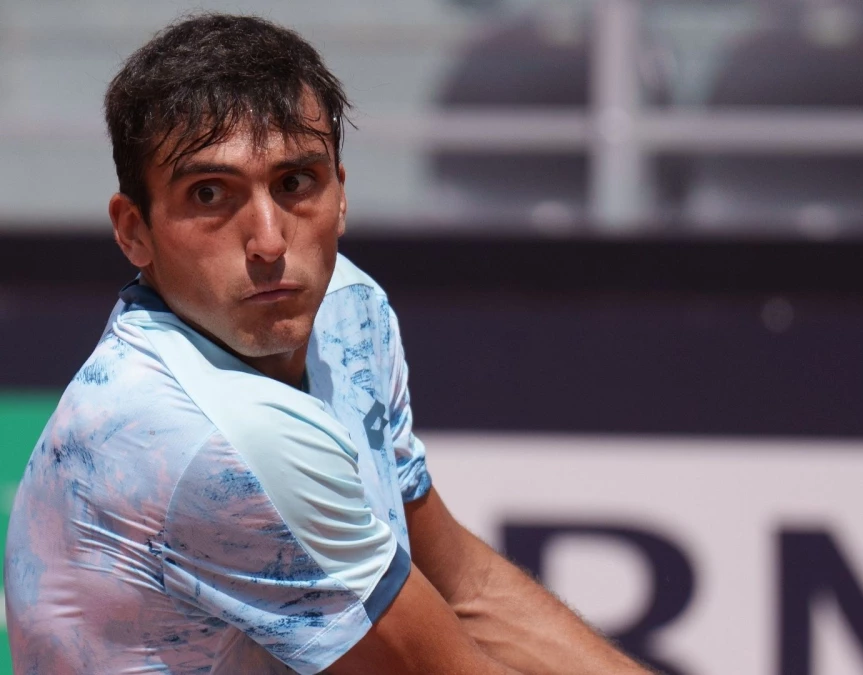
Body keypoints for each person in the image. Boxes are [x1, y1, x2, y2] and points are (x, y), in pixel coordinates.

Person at [3, 13, 652, 675]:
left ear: (341, 191)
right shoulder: (204, 437)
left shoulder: (349, 308)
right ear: (133, 230)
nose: (268, 242)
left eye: (294, 183)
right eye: (210, 193)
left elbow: (464, 586)